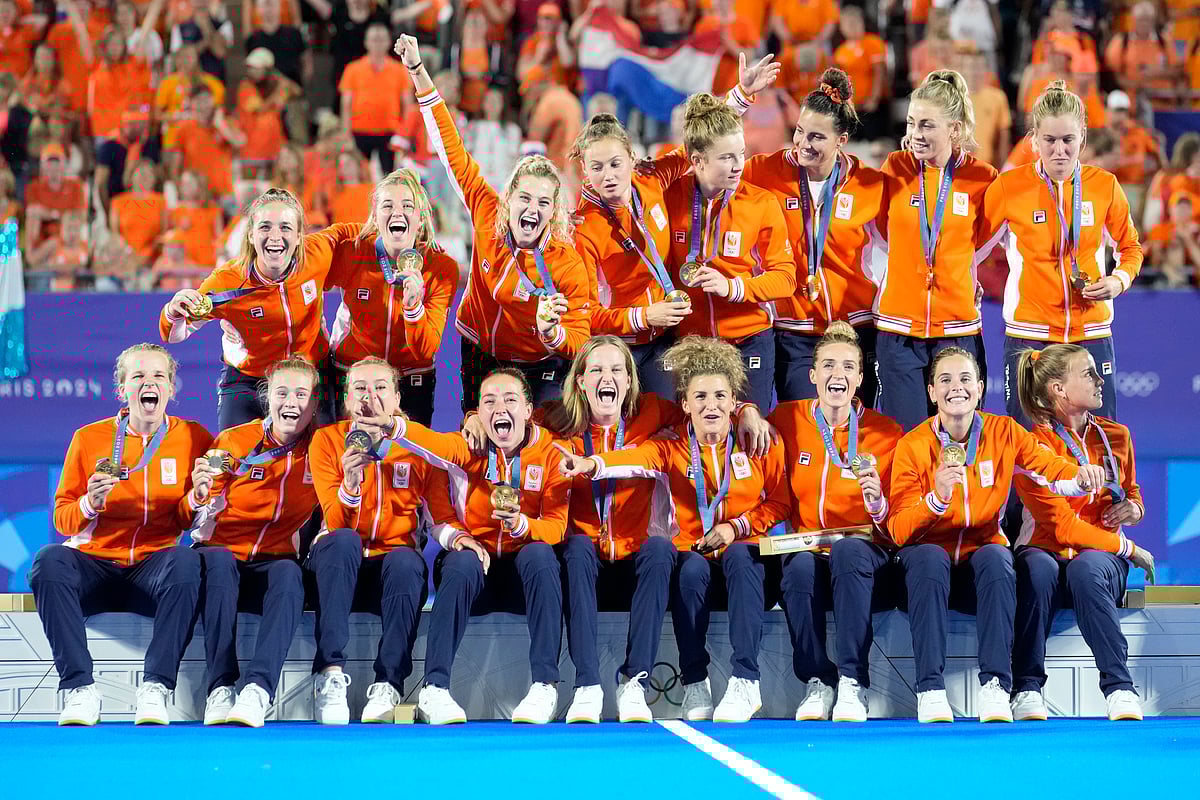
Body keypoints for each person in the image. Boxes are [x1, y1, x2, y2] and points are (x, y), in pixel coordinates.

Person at [498, 334, 774, 722]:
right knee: (576, 548)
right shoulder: (555, 420)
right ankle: (587, 685)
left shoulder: (653, 412)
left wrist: (745, 409)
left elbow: (705, 405)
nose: (606, 377)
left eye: (616, 369)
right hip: (585, 558)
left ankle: (635, 683)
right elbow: (508, 418)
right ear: (581, 381)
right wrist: (474, 417)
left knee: (662, 548)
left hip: (634, 558)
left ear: (629, 380)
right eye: (596, 369)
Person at [888, 347, 1107, 723]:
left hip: (979, 565)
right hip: (929, 568)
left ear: (980, 387)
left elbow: (1044, 464)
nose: (956, 387)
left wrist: (1077, 475)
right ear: (931, 392)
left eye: (964, 379)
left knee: (997, 556)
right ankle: (930, 688)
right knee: (927, 557)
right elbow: (898, 529)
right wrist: (936, 499)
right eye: (945, 380)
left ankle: (995, 686)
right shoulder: (912, 445)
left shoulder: (1003, 431)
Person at [397, 34, 592, 410]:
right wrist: (419, 72)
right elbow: (450, 148)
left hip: (537, 362)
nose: (531, 209)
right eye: (524, 198)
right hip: (478, 351)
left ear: (555, 211)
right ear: (509, 199)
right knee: (475, 441)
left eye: (542, 202)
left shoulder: (566, 262)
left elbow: (580, 338)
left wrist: (552, 333)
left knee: (539, 450)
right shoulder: (487, 211)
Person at [571, 55, 778, 399]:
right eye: (597, 167)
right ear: (584, 170)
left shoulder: (652, 179)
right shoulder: (582, 228)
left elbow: (700, 145)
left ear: (632, 159)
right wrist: (643, 316)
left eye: (615, 163)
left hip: (665, 340)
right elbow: (586, 314)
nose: (608, 176)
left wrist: (742, 93)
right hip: (619, 347)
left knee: (675, 425)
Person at [29, 344, 212, 726]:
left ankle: (156, 688)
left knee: (186, 560)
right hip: (95, 565)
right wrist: (89, 505)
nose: (150, 383)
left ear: (172, 388)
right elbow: (64, 520)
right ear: (122, 390)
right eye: (138, 376)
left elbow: (185, 521)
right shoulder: (89, 438)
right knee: (48, 561)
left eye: (159, 376)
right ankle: (79, 689)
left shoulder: (193, 437)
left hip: (152, 570)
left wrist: (195, 500)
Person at [383, 368, 571, 724]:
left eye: (510, 400)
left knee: (542, 554)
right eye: (489, 402)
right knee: (460, 561)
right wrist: (394, 426)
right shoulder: (464, 447)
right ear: (478, 414)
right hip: (475, 577)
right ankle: (435, 688)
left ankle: (545, 684)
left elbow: (557, 527)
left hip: (522, 578)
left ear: (529, 411)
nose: (500, 408)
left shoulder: (551, 452)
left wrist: (521, 526)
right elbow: (438, 514)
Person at [979, 81, 1144, 427]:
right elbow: (970, 249)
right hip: (1030, 334)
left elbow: (1130, 247)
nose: (1059, 151)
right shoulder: (1009, 188)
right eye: (1049, 140)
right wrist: (967, 283)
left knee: (1101, 441)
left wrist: (1118, 280)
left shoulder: (1104, 186)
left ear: (1082, 137)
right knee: (1028, 445)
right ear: (1034, 140)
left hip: (1091, 332)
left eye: (1068, 140)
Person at [1010, 343, 1155, 722]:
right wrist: (1127, 547)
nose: (1099, 379)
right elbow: (1059, 525)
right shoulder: (1032, 445)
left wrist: (1133, 510)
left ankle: (1120, 688)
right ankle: (1026, 688)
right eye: (1088, 373)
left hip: (1098, 560)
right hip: (1046, 549)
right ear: (1058, 388)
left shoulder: (1117, 435)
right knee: (1039, 571)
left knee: (1086, 569)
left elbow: (1132, 492)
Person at [766, 322, 904, 722]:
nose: (837, 375)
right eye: (828, 365)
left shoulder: (886, 433)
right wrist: (746, 414)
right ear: (812, 375)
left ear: (861, 378)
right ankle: (818, 681)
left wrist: (877, 504)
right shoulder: (787, 419)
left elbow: (896, 519)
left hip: (865, 553)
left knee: (847, 551)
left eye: (847, 367)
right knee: (798, 571)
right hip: (807, 546)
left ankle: (851, 681)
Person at [743, 67, 888, 407]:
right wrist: (738, 96)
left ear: (842, 140)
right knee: (806, 426)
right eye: (800, 132)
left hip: (854, 329)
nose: (802, 144)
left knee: (854, 431)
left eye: (816, 137)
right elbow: (711, 151)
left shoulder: (870, 183)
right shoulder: (764, 172)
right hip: (793, 331)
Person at [306, 357, 439, 724]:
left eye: (381, 387)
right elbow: (334, 522)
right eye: (360, 388)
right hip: (337, 565)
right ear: (347, 399)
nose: (370, 397)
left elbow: (440, 514)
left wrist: (457, 536)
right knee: (343, 540)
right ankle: (329, 674)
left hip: (391, 571)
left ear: (398, 398)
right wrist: (349, 485)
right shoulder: (327, 440)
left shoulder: (418, 447)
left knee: (407, 561)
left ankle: (388, 684)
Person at [188, 355, 319, 727]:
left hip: (273, 558)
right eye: (281, 393)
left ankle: (258, 690)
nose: (290, 402)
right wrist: (203, 495)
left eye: (301, 394)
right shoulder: (235, 439)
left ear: (314, 406)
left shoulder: (321, 450)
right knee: (218, 564)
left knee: (290, 577)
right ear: (267, 398)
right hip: (220, 551)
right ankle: (221, 686)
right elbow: (203, 507)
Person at [158, 188, 352, 430]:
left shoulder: (317, 253)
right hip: (250, 379)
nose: (275, 236)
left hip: (312, 374)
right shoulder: (227, 281)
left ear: (300, 236)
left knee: (326, 457)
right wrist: (172, 312)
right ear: (250, 235)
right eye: (265, 227)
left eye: (285, 227)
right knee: (230, 461)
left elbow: (349, 232)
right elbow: (173, 335)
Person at [875, 70, 999, 431]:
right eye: (912, 123)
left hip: (958, 329)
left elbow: (983, 239)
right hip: (899, 331)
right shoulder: (894, 168)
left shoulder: (983, 177)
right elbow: (882, 232)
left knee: (957, 440)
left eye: (927, 125)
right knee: (908, 440)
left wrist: (959, 274)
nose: (916, 134)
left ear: (954, 130)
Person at [661, 93, 798, 411]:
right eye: (726, 158)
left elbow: (785, 278)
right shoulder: (670, 197)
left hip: (748, 337)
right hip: (689, 342)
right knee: (689, 434)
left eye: (741, 153)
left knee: (751, 432)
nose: (739, 166)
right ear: (696, 161)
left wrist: (733, 287)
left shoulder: (761, 202)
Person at [319, 169, 459, 426]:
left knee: (406, 461)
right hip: (352, 371)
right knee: (351, 453)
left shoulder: (441, 267)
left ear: (420, 218)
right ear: (375, 215)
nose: (397, 212)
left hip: (411, 376)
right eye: (387, 205)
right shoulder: (354, 252)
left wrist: (413, 307)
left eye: (407, 205)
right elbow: (306, 275)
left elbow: (424, 350)